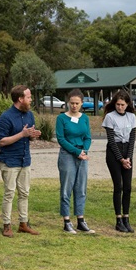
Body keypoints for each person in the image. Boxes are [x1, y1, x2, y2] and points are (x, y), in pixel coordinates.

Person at [0, 85, 41, 238]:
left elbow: (27, 136)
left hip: (25, 160)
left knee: (24, 193)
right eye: (28, 97)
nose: (31, 100)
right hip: (9, 161)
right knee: (9, 193)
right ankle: (6, 225)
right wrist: (22, 134)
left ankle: (23, 224)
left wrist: (32, 135)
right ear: (20, 99)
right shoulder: (6, 117)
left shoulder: (29, 115)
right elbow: (2, 141)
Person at [55, 89, 94, 234]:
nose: (74, 106)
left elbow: (88, 136)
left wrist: (84, 150)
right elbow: (61, 139)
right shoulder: (62, 119)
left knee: (81, 187)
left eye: (77, 103)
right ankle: (66, 220)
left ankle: (81, 220)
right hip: (68, 154)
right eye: (71, 103)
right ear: (68, 103)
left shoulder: (84, 118)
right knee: (66, 187)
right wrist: (76, 152)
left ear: (82, 104)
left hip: (82, 154)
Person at [101, 90, 136, 233]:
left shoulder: (132, 117)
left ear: (127, 104)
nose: (120, 107)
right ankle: (118, 219)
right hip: (114, 152)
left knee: (128, 187)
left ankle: (126, 217)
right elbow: (111, 140)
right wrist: (121, 159)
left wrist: (128, 157)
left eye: (123, 104)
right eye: (118, 104)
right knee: (119, 186)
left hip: (127, 150)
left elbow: (133, 138)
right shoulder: (110, 117)